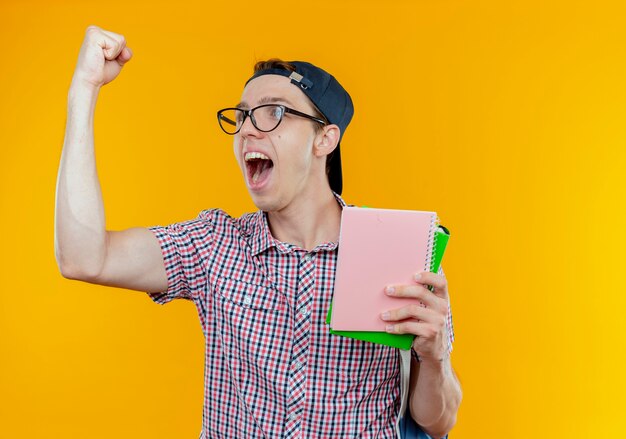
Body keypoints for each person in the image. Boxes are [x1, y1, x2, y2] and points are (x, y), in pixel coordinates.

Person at [55, 25, 462, 439]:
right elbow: (84, 257)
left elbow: (438, 420)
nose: (247, 129)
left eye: (274, 112)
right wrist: (84, 89)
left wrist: (434, 356)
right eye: (243, 115)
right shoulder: (213, 245)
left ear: (325, 139)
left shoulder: (395, 251)